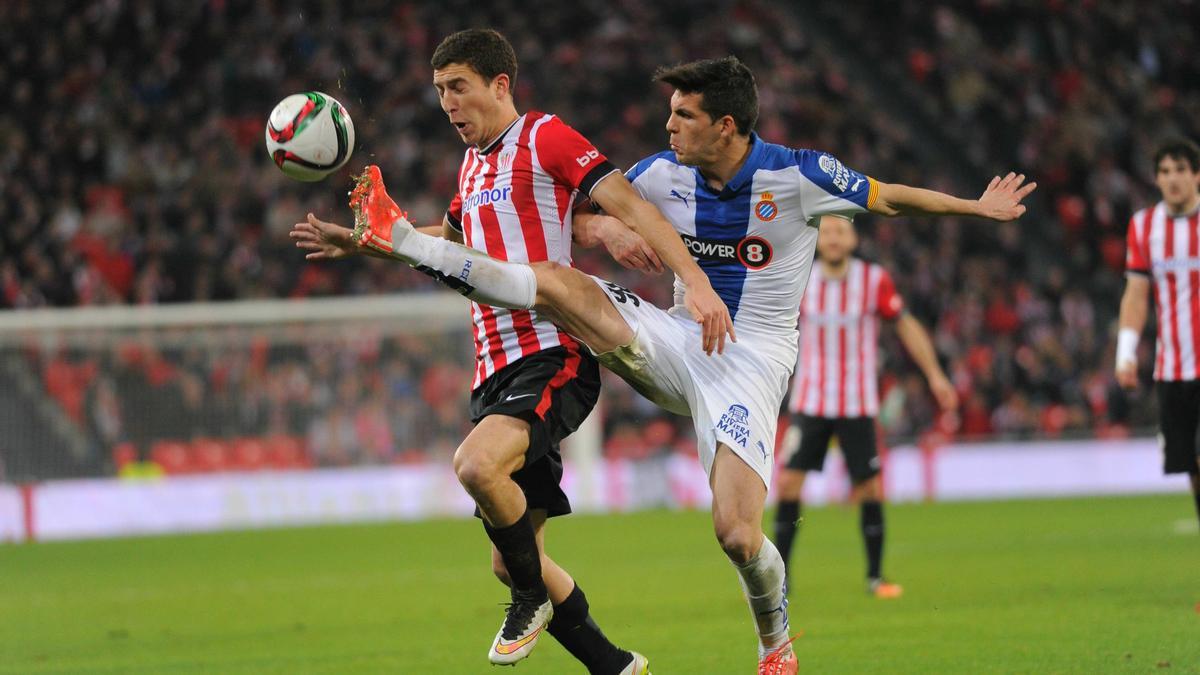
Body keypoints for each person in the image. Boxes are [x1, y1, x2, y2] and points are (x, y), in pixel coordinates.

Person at [314, 56, 1034, 674]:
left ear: (726, 125)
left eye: (683, 115)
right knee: (565, 286)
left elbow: (892, 199)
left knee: (738, 535)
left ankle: (775, 641)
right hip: (673, 334)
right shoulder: (662, 173)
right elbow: (576, 211)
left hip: (749, 360)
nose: (668, 127)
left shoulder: (798, 175)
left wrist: (979, 208)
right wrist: (602, 228)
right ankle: (408, 241)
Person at [290, 29, 699, 673]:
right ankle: (615, 666)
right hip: (493, 366)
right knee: (507, 561)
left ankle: (534, 598)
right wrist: (359, 241)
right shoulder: (473, 166)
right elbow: (443, 243)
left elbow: (632, 204)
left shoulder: (546, 137)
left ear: (499, 84)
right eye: (439, 92)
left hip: (552, 351)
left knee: (477, 468)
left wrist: (684, 275)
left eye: (458, 87)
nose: (448, 104)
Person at [773, 214, 959, 600]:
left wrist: (935, 375)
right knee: (789, 483)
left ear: (853, 238)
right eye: (827, 232)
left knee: (872, 488)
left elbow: (905, 325)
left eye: (841, 231)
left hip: (857, 402)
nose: (834, 239)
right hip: (811, 400)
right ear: (818, 239)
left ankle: (876, 577)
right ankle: (780, 580)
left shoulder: (873, 280)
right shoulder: (801, 278)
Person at [1116, 138, 1200, 531]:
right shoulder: (1144, 226)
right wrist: (1125, 353)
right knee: (1192, 470)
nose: (1173, 179)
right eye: (1165, 171)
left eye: (1181, 169)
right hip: (1172, 372)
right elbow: (1136, 295)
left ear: (1196, 175)